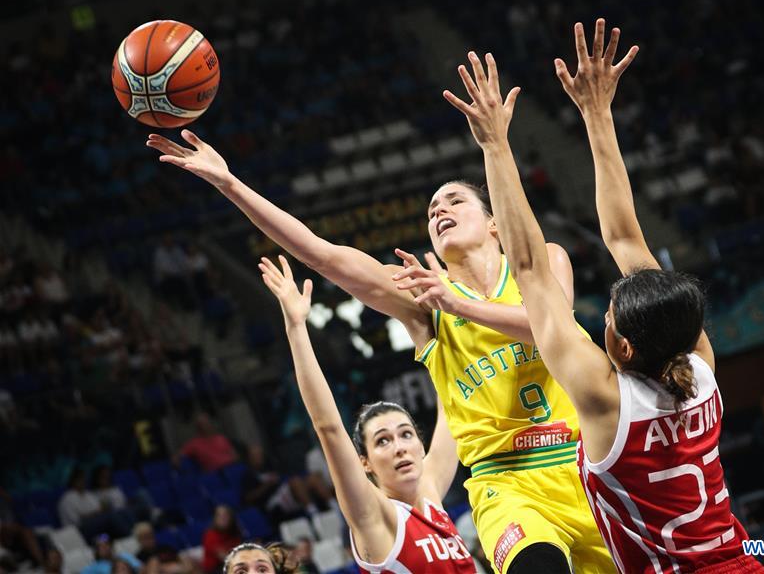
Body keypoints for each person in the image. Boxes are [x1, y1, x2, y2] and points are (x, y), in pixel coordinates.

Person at [148, 96, 613, 574]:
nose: (439, 211)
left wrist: (459, 304)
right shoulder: (423, 300)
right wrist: (230, 185)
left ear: (494, 225)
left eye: (454, 200)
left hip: (584, 466)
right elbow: (322, 255)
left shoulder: (544, 263)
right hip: (506, 485)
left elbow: (549, 327)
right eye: (432, 210)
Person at [442, 20, 764, 573]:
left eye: (611, 318)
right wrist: (599, 113)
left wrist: (495, 145)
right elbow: (625, 239)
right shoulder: (702, 368)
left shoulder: (604, 401)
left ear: (619, 348)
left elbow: (528, 267)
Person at [258, 255, 474, 572]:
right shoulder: (373, 515)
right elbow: (328, 426)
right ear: (365, 462)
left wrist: (444, 310)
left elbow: (450, 396)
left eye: (405, 434)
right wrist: (296, 326)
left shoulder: (429, 490)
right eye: (383, 441)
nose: (399, 446)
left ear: (419, 443)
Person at [202, 505, 242, 574]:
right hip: (215, 570)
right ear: (214, 518)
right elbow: (225, 557)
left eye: (225, 515)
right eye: (219, 515)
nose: (223, 518)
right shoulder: (210, 535)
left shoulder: (234, 533)